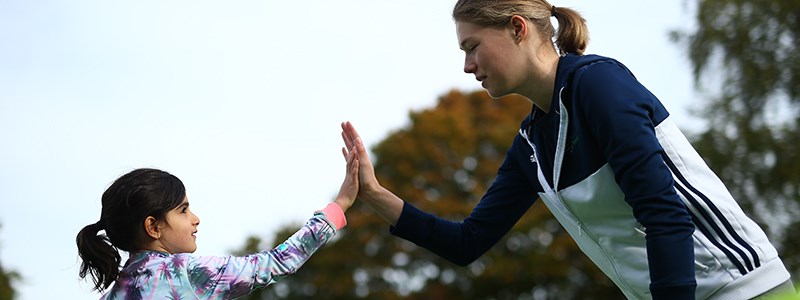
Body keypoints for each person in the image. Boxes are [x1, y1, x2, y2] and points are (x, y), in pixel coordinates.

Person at [339, 0, 795, 299]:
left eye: (473, 46)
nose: (467, 65)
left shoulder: (597, 84)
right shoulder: (531, 145)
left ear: (518, 29)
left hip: (747, 291)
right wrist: (376, 194)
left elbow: (663, 213)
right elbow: (467, 243)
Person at [76, 146, 358, 299]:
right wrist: (340, 205)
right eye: (183, 210)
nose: (196, 219)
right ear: (153, 227)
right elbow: (276, 262)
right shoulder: (184, 273)